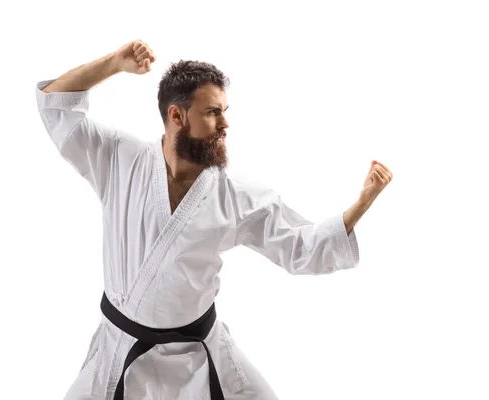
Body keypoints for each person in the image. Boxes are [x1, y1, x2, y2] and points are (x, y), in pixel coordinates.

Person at [35, 39, 393, 400]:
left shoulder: (236, 195)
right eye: (212, 112)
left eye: (223, 110)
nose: (225, 123)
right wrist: (114, 63)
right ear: (177, 116)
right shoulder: (118, 160)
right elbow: (55, 106)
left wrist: (360, 205)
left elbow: (301, 247)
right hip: (121, 349)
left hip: (199, 355)